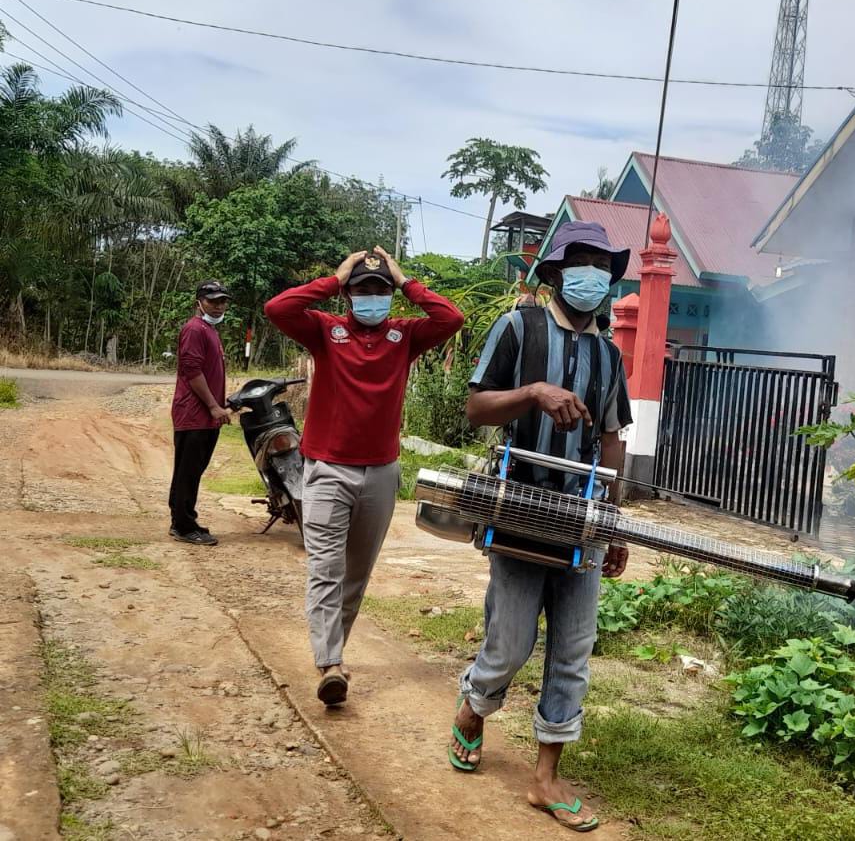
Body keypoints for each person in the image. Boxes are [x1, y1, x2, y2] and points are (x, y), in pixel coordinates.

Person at [452, 220, 632, 833]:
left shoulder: (610, 354)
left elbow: (611, 437)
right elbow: (476, 409)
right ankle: (475, 707)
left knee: (573, 650)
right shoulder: (518, 328)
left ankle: (545, 779)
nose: (594, 275)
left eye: (602, 265)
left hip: (581, 518)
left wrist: (613, 519)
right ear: (555, 272)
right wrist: (533, 392)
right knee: (509, 644)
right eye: (581, 261)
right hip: (519, 506)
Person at [265, 247, 464, 707]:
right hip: (328, 469)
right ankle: (329, 662)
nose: (372, 297)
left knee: (356, 573)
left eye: (380, 290)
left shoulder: (405, 335)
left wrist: (404, 279)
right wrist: (334, 280)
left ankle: (335, 651)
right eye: (362, 290)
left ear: (390, 296)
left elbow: (451, 318)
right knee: (325, 567)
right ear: (350, 295)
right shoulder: (324, 330)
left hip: (381, 473)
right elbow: (278, 309)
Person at [167, 280, 233, 547]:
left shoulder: (209, 331)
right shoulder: (194, 329)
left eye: (222, 301)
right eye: (212, 301)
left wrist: (221, 402)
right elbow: (192, 371)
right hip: (194, 414)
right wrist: (213, 406)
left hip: (205, 415)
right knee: (188, 471)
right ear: (199, 302)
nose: (218, 306)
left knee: (192, 469)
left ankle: (182, 520)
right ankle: (183, 525)